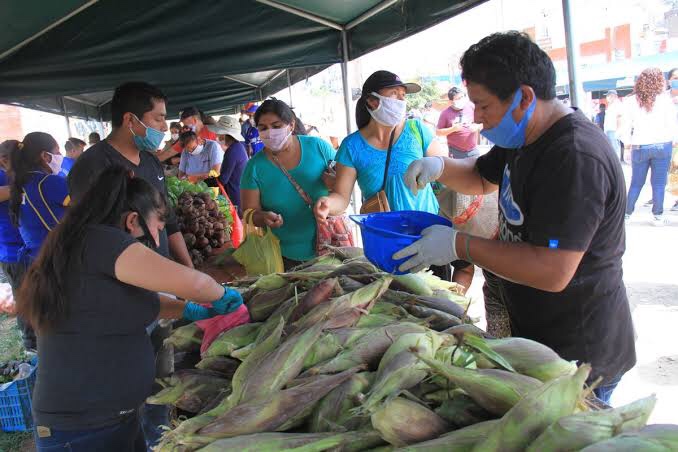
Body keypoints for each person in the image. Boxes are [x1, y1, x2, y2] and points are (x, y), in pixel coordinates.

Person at [396, 31, 635, 404]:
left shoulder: (572, 156)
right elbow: (480, 177)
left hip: (580, 352)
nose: (476, 118)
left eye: (484, 105)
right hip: (540, 337)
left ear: (524, 97)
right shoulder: (523, 139)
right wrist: (440, 166)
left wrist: (460, 245)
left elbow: (552, 269)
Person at [19, 166, 243, 452]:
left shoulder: (85, 246)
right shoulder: (101, 241)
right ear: (133, 220)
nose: (157, 238)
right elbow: (198, 284)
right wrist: (221, 293)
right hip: (80, 430)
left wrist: (188, 310)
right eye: (159, 228)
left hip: (112, 420)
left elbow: (134, 303)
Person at [67, 81, 193, 446]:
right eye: (158, 118)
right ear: (131, 120)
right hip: (120, 291)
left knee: (160, 369)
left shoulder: (152, 161)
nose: (163, 128)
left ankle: (157, 435)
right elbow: (88, 236)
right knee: (125, 372)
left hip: (161, 282)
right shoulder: (94, 165)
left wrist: (187, 269)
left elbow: (168, 221)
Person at [314, 70, 447, 273]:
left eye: (403, 95)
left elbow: (445, 170)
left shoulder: (417, 130)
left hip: (428, 235)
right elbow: (341, 197)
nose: (402, 101)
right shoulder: (351, 146)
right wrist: (328, 204)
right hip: (386, 242)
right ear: (372, 101)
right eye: (394, 94)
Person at [240, 98, 336, 268]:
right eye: (263, 128)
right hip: (283, 256)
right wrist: (262, 217)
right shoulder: (254, 167)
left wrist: (334, 183)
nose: (270, 132)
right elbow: (249, 212)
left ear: (291, 125)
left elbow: (343, 187)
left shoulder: (318, 147)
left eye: (276, 126)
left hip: (330, 247)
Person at [7, 132, 68, 351]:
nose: (60, 157)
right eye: (57, 152)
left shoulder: (22, 183)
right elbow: (86, 206)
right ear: (45, 156)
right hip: (58, 260)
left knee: (51, 321)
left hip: (36, 261)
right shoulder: (48, 182)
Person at [621, 68, 677, 226]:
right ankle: (657, 216)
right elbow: (672, 124)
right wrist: (674, 140)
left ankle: (627, 214)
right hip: (663, 145)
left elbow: (625, 126)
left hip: (639, 146)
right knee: (659, 183)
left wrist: (627, 146)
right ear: (660, 81)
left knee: (636, 182)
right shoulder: (665, 100)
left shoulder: (631, 101)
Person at [0, 141, 26, 345]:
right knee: (24, 299)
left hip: (24, 249)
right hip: (12, 251)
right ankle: (31, 345)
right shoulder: (4, 177)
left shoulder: (15, 176)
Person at [207, 116, 248, 214]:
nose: (216, 135)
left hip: (235, 197)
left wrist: (203, 182)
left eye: (218, 133)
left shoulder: (232, 151)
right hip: (239, 194)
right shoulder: (238, 147)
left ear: (225, 134)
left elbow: (223, 180)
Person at [437, 87, 483, 158]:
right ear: (451, 101)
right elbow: (438, 132)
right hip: (456, 152)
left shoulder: (471, 107)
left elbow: (483, 122)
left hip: (473, 150)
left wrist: (477, 126)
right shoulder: (445, 113)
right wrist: (452, 129)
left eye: (462, 97)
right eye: (458, 98)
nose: (461, 100)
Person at [604, 90, 624, 163]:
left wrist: (618, 131)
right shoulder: (612, 105)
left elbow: (619, 117)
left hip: (613, 130)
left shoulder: (617, 104)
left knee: (615, 149)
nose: (607, 97)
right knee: (612, 149)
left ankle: (616, 165)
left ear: (613, 96)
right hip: (610, 130)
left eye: (608, 96)